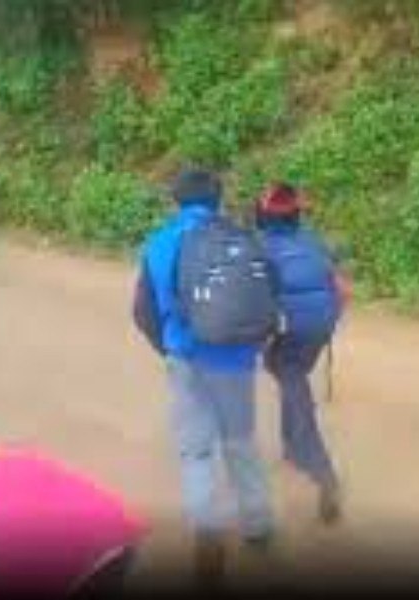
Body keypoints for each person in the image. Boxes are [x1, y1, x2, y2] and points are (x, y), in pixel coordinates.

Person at [132, 168, 276, 588]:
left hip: (188, 357)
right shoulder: (244, 237)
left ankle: (209, 534)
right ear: (218, 200)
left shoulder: (160, 243)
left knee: (196, 452)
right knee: (240, 442)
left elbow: (142, 312)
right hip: (236, 360)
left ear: (176, 201)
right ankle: (258, 528)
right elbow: (267, 297)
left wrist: (172, 349)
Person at [254, 182, 349, 525]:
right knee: (290, 373)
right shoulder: (313, 240)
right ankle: (292, 448)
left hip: (289, 329)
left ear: (262, 215)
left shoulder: (259, 247)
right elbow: (343, 289)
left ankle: (323, 473)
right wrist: (328, 319)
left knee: (289, 377)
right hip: (322, 325)